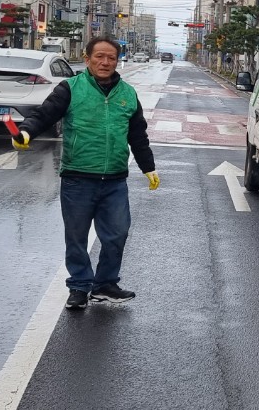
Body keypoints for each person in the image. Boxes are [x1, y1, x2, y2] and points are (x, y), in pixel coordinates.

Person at [12, 36, 160, 310]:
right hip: (78, 177)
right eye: (99, 56)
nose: (105, 62)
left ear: (118, 60)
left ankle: (105, 285)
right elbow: (44, 114)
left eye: (111, 58)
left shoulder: (127, 94)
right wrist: (25, 132)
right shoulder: (70, 88)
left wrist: (148, 166)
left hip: (115, 179)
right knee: (77, 236)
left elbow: (138, 135)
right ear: (87, 57)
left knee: (117, 233)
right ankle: (79, 286)